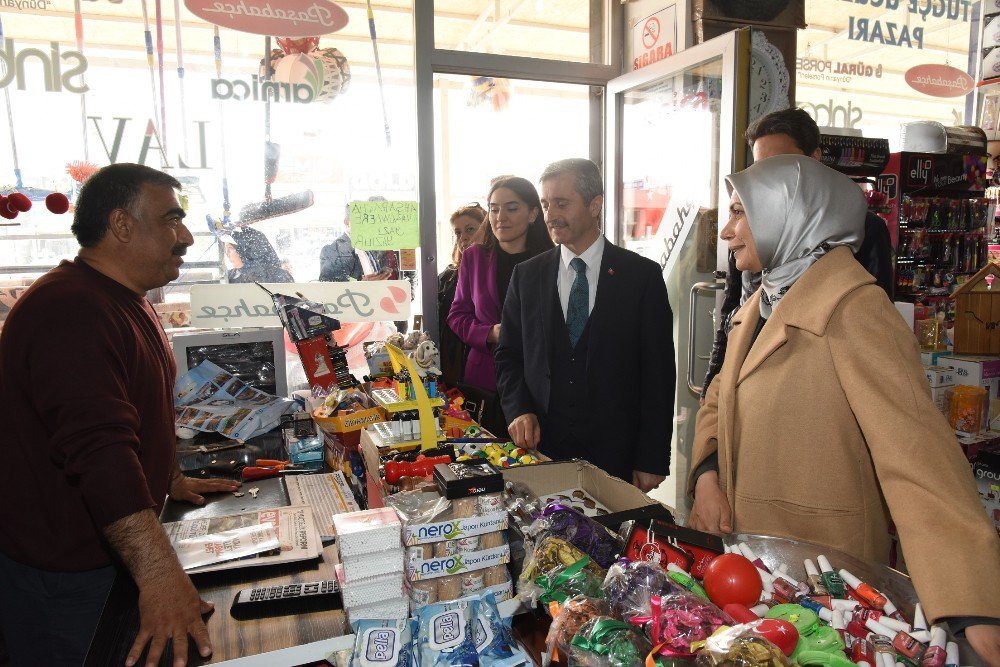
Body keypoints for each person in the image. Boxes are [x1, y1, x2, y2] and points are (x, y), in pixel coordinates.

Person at [688, 155, 1000, 663]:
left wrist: (970, 605)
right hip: (755, 568)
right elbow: (717, 399)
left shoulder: (855, 310)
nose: (727, 230)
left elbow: (917, 459)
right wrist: (706, 475)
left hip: (829, 579)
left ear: (790, 215)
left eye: (741, 212)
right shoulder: (760, 305)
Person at [0, 163, 241, 667]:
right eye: (172, 219)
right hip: (67, 580)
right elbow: (99, 452)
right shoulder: (71, 310)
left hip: (104, 561)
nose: (187, 237)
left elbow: (135, 408)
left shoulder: (123, 299)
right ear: (122, 225)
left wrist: (167, 475)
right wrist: (160, 577)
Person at [495, 159, 675, 491]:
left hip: (615, 454)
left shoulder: (641, 277)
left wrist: (651, 457)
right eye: (546, 204)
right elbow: (508, 355)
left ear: (595, 206)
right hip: (543, 451)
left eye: (561, 203)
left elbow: (658, 373)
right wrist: (518, 410)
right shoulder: (527, 276)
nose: (550, 215)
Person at [700, 108, 895, 400]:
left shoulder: (863, 231)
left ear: (814, 160)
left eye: (779, 164)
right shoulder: (746, 233)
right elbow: (732, 307)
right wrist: (714, 384)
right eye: (758, 167)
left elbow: (876, 337)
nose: (765, 179)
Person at [449, 178, 553, 434]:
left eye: (512, 208)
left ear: (532, 214)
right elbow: (457, 315)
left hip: (539, 382)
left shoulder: (552, 261)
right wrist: (490, 333)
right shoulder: (474, 257)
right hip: (485, 378)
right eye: (494, 209)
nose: (500, 217)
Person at [438, 203, 486, 387]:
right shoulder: (447, 276)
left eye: (470, 229)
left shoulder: (494, 272)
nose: (464, 238)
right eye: (458, 233)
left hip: (481, 355)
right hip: (452, 359)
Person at [225, 225, 294, 283]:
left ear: (248, 251)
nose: (227, 254)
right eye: (226, 249)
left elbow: (288, 299)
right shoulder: (229, 277)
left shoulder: (279, 277)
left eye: (230, 249)